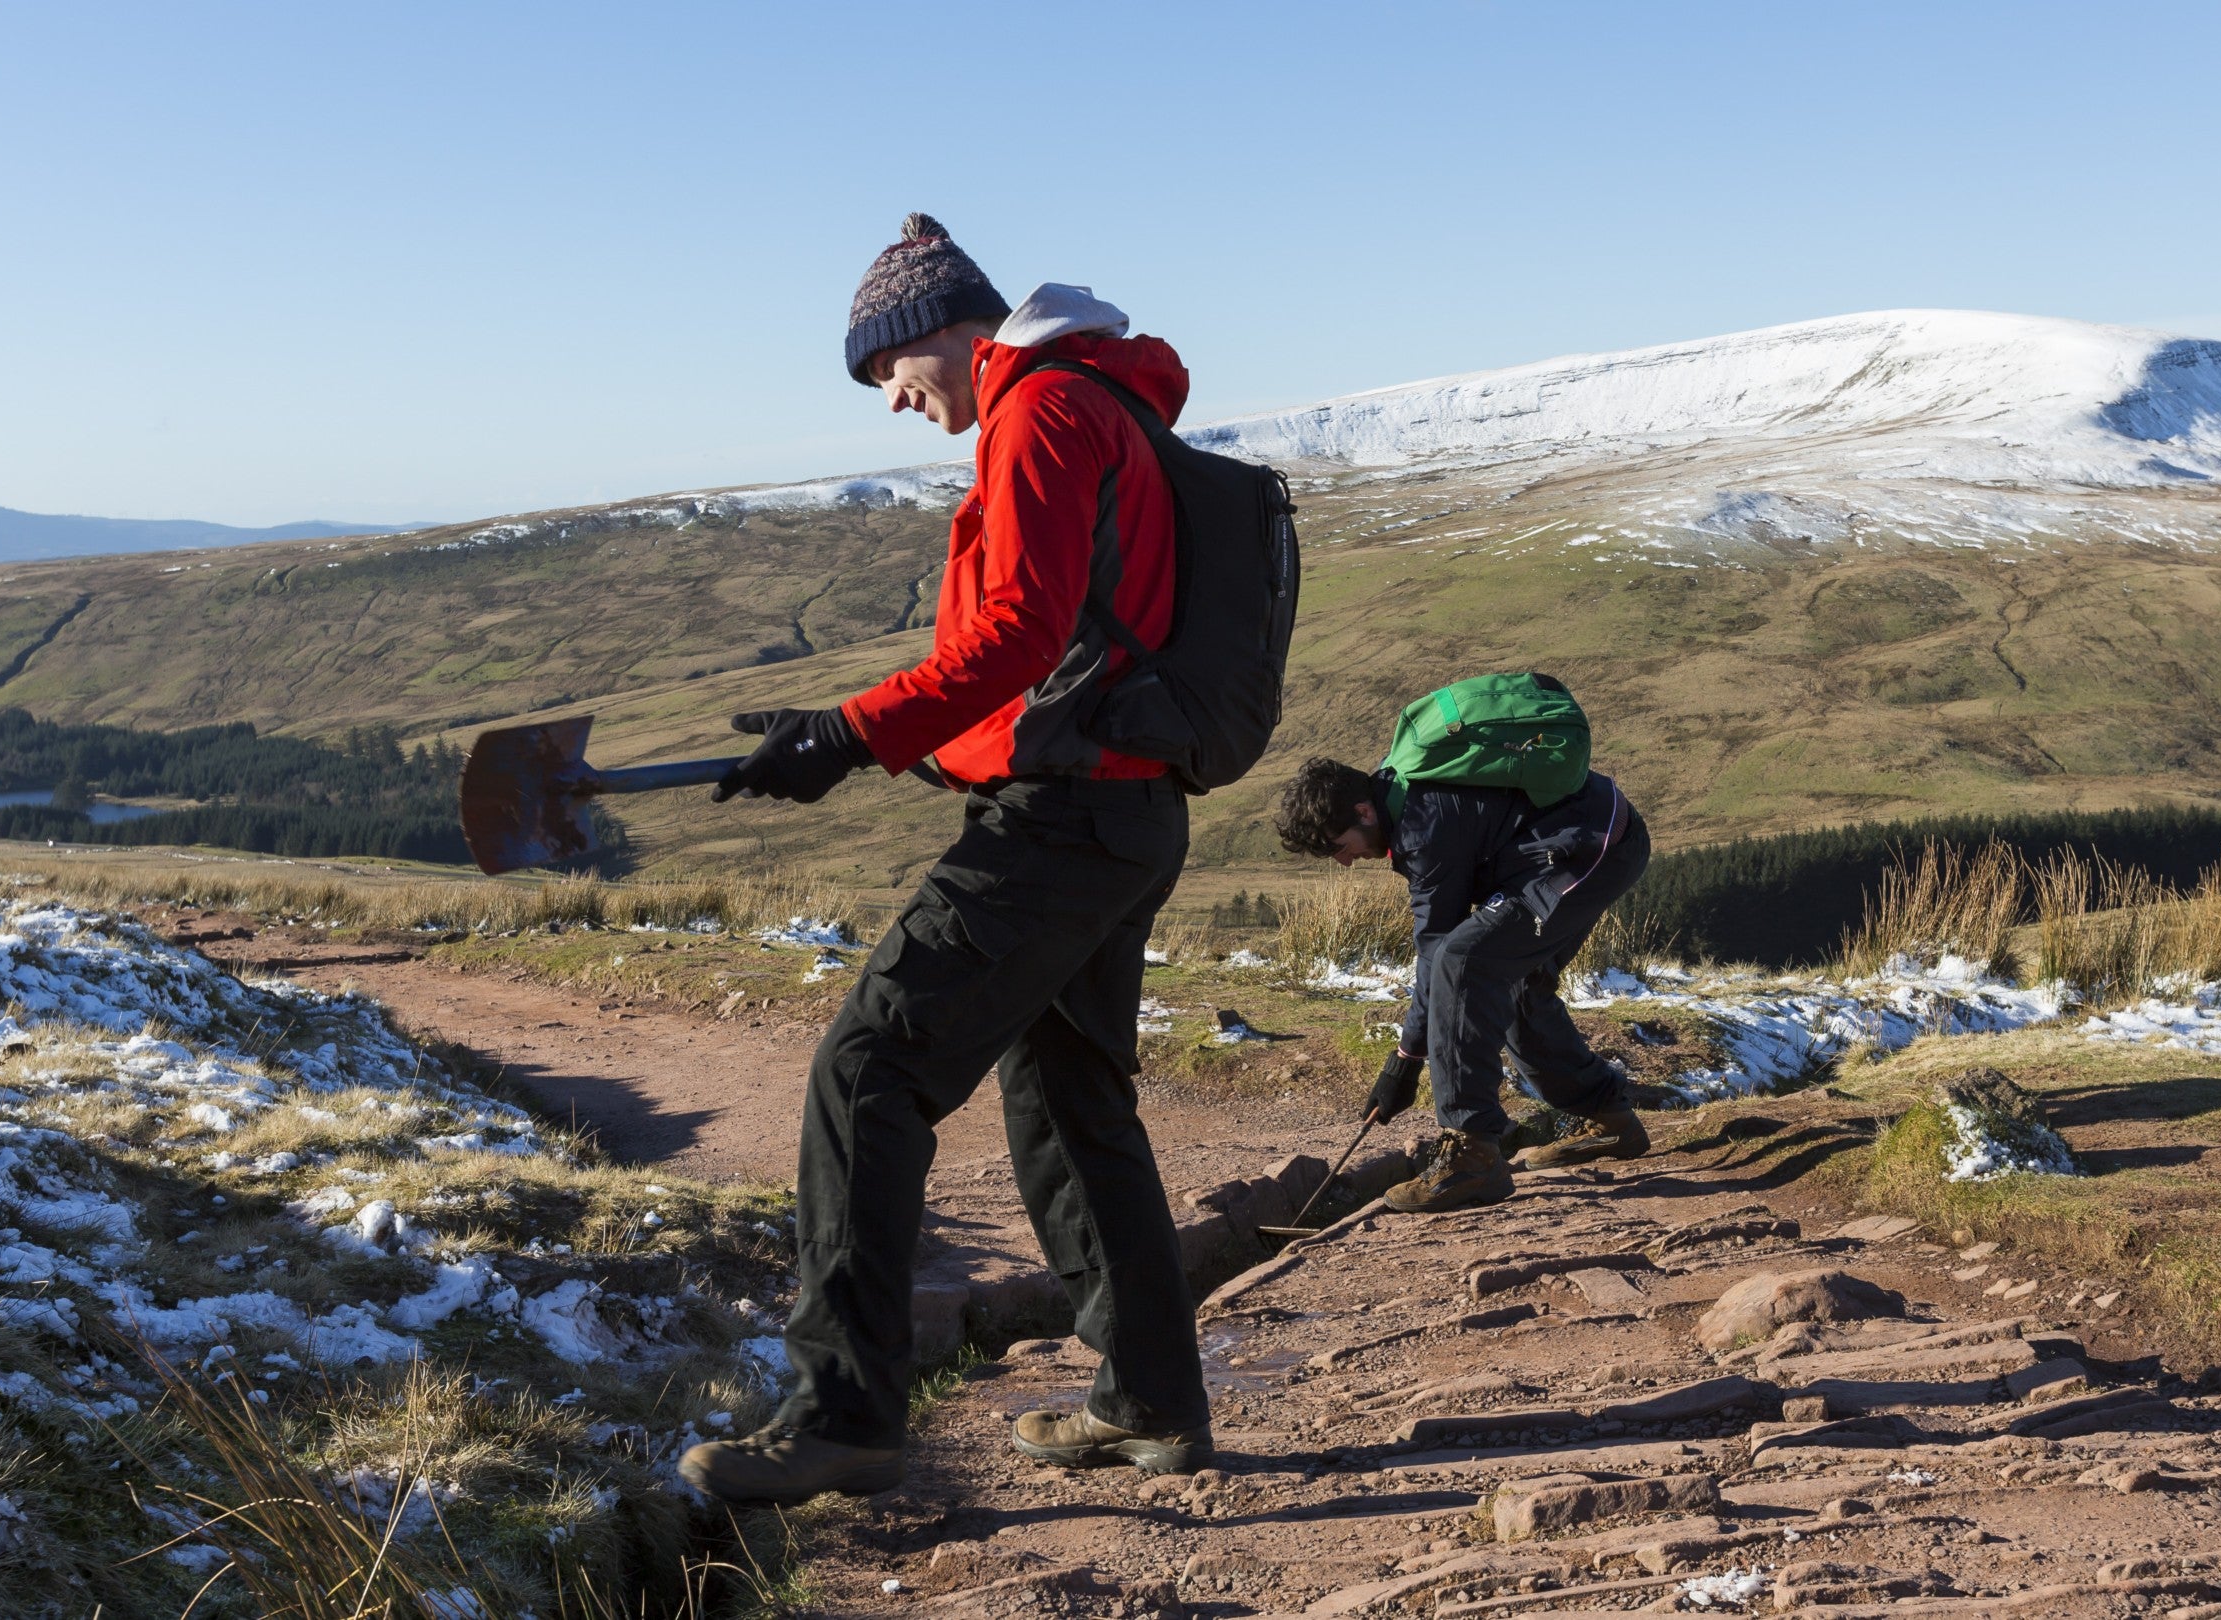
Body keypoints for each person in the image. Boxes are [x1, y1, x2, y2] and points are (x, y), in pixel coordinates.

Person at [677, 215, 1212, 1505]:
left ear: (950, 334)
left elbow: (1024, 629)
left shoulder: (1039, 409)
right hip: (1121, 812)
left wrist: (856, 731)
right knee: (1069, 1099)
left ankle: (842, 1413)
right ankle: (1149, 1402)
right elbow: (1064, 644)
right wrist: (863, 741)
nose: (898, 406)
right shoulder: (1099, 400)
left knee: (867, 1072)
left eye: (892, 377)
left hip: (1065, 825)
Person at [1270, 733, 1654, 1212]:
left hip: (1589, 849)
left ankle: (1472, 1157)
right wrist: (1406, 1060)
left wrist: (1404, 1064)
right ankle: (1611, 1121)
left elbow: (1436, 954)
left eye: (1337, 847)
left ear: (1364, 812)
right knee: (1510, 979)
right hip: (1594, 836)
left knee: (1464, 961)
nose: (1344, 862)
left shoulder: (1423, 826)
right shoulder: (1403, 798)